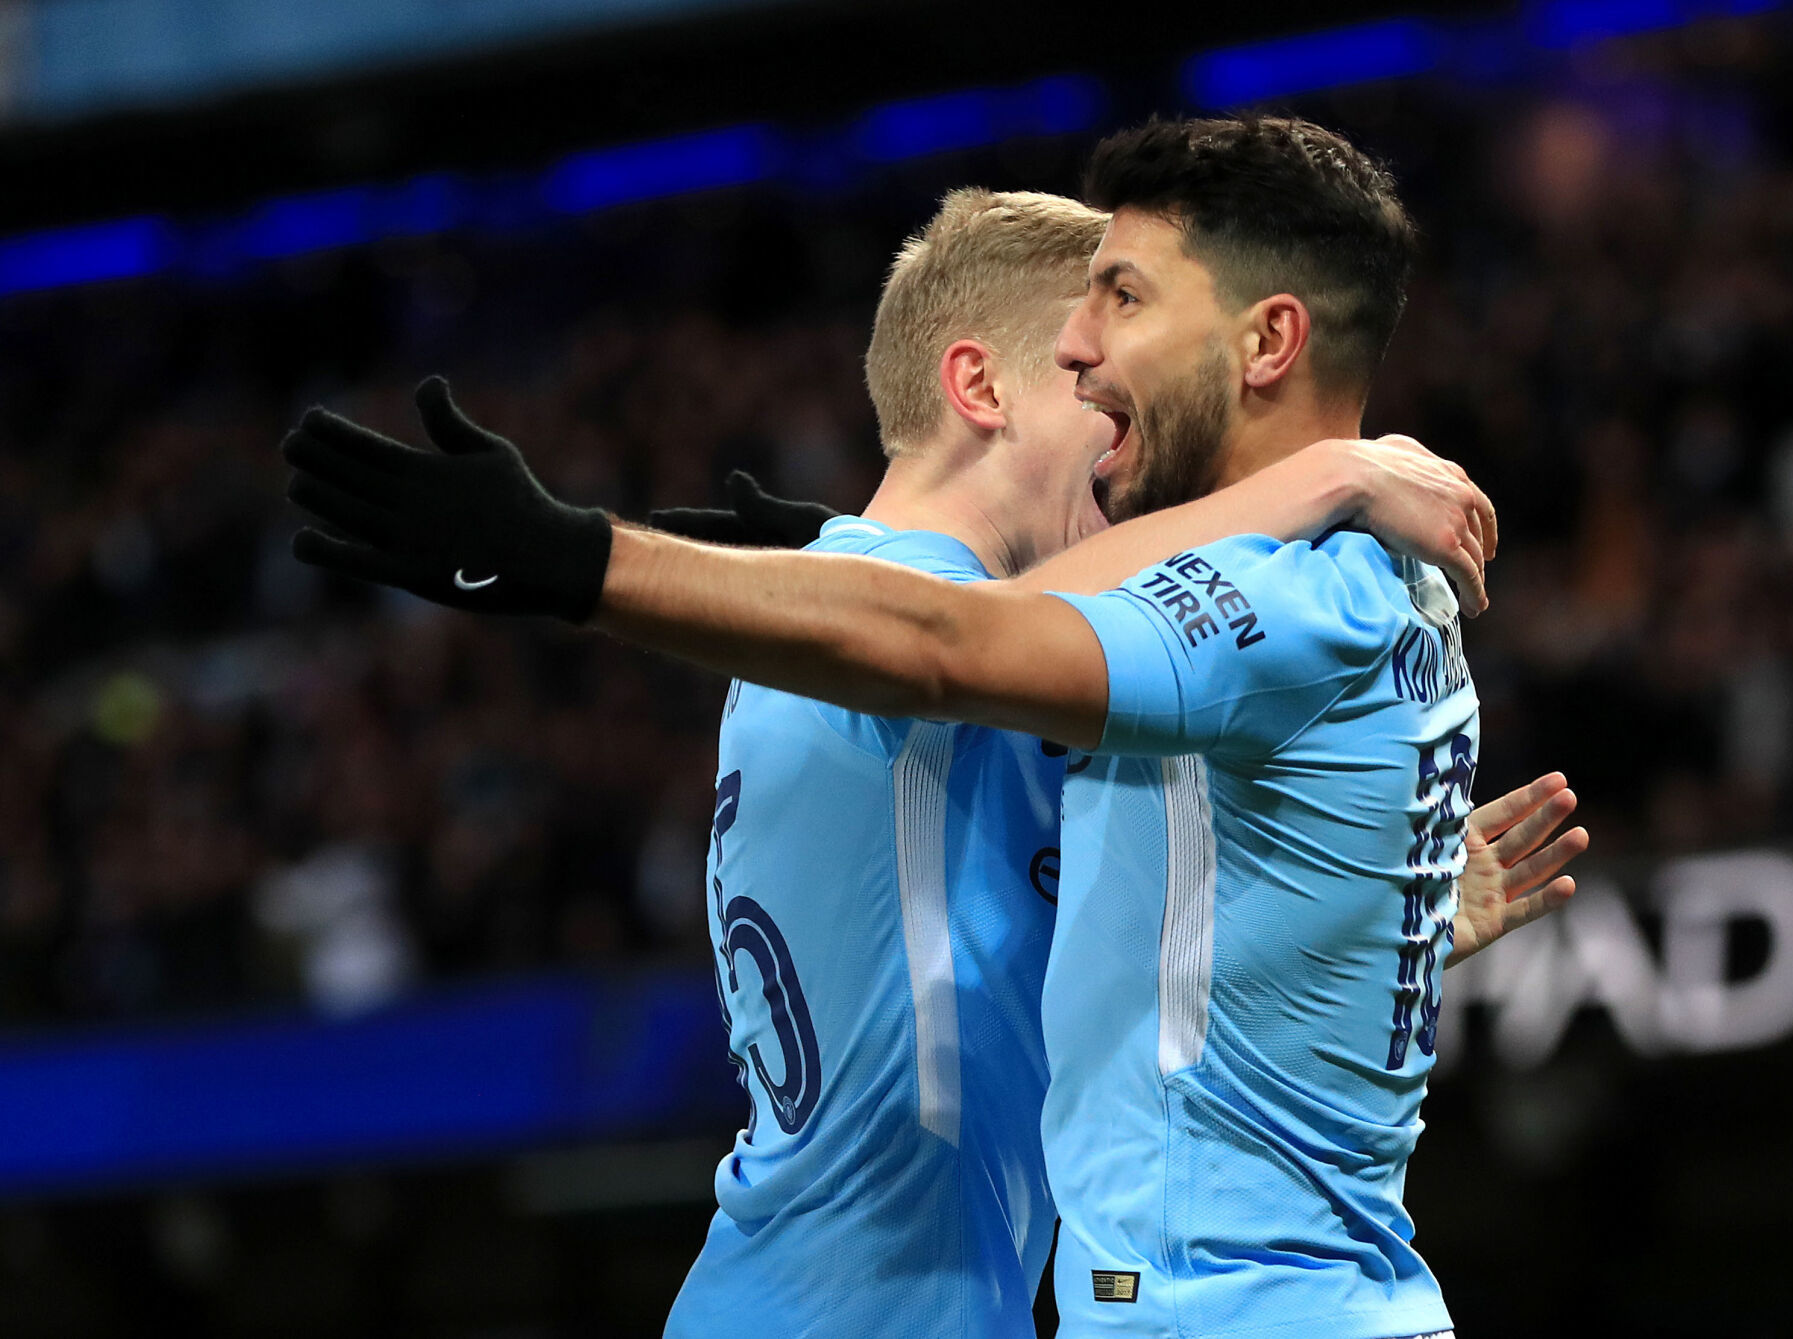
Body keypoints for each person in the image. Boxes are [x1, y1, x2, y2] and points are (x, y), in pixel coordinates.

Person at [282, 132, 1585, 1336]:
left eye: (1122, 318)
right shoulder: (903, 639)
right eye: (1083, 353)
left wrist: (1332, 919)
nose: (1103, 374)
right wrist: (1324, 474)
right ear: (981, 384)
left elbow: (1112, 912)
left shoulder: (835, 618)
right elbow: (938, 639)